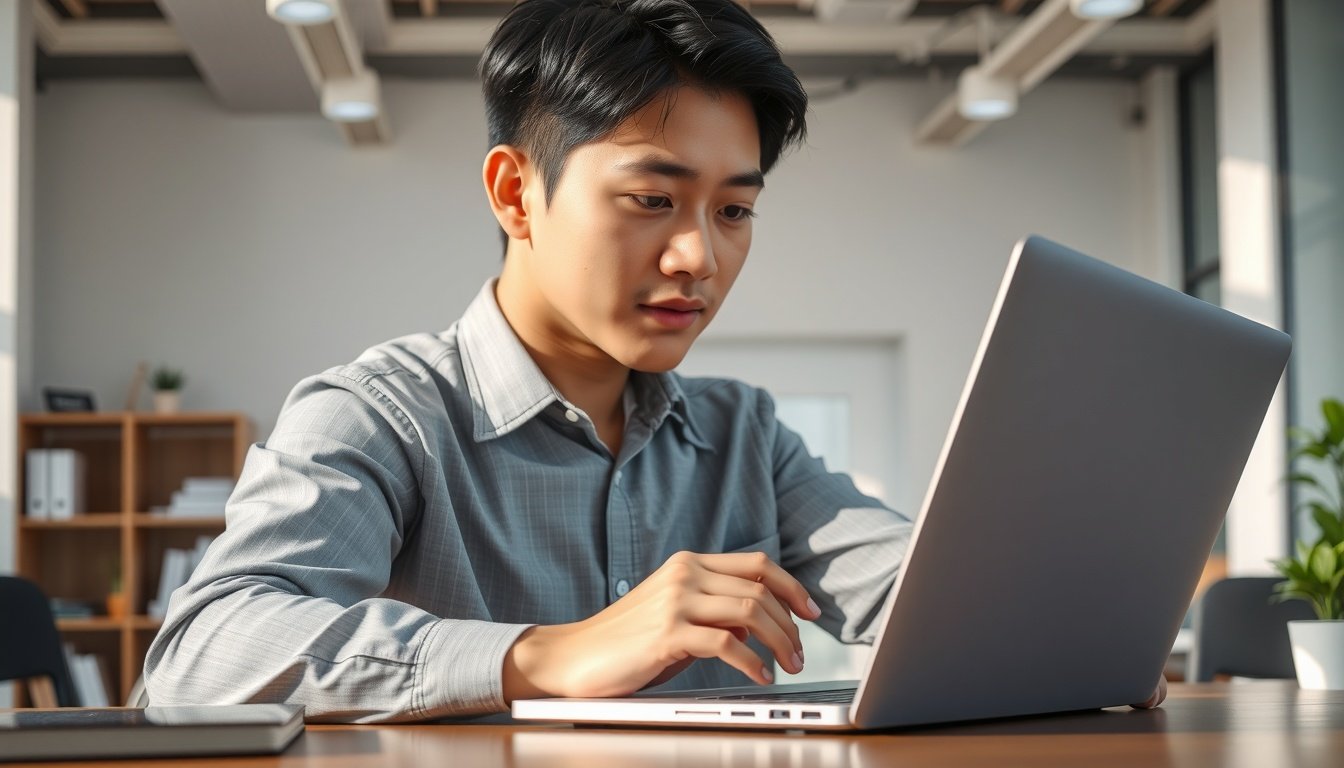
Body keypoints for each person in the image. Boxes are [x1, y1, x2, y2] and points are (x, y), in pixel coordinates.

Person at [143, 0, 1164, 721]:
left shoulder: (742, 435)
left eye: (734, 210)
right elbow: (203, 652)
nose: (699, 257)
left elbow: (917, 586)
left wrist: (1076, 624)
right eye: (651, 200)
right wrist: (543, 655)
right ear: (514, 194)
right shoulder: (380, 415)